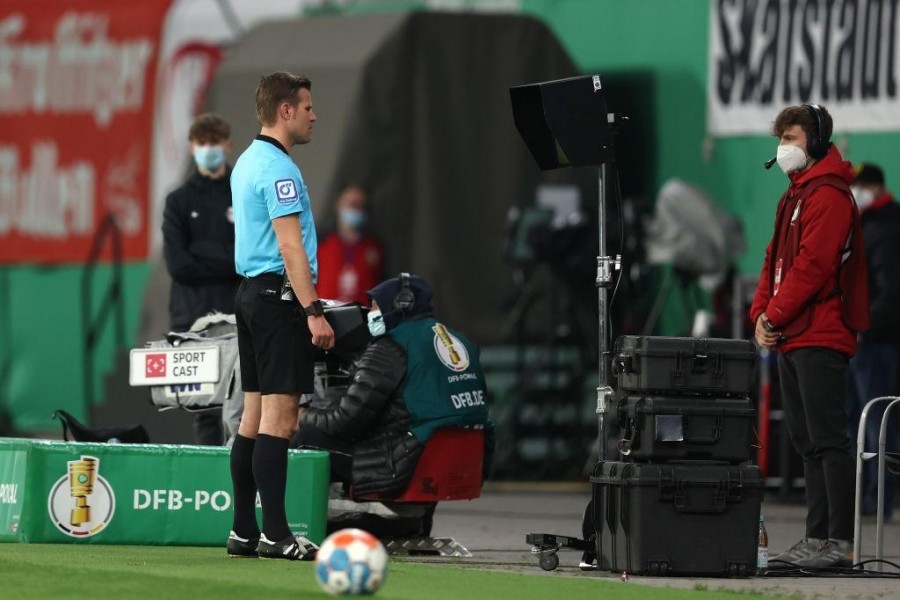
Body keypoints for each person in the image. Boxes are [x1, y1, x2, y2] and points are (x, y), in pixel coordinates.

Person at [751, 104, 869, 569]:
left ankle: (835, 542)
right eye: (781, 138)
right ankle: (816, 539)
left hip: (820, 332)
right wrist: (760, 313)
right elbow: (772, 260)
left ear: (816, 142)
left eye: (793, 139)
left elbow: (814, 268)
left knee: (827, 441)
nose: (784, 149)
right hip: (792, 332)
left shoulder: (831, 197)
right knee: (806, 442)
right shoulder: (794, 196)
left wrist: (773, 315)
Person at [226, 71, 335, 560]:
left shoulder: (246, 161)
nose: (315, 115)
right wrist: (314, 311)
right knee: (280, 418)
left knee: (251, 416)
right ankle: (276, 534)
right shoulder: (279, 169)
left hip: (249, 294)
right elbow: (291, 247)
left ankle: (244, 531)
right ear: (285, 111)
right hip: (279, 299)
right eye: (308, 106)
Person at [293, 273, 494, 535]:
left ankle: (297, 527)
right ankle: (413, 521)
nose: (371, 314)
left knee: (307, 437)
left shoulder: (391, 347)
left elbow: (345, 421)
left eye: (376, 306)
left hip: (404, 464)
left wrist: (300, 416)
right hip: (464, 462)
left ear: (401, 305)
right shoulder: (462, 341)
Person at [162, 113, 241, 445]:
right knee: (203, 411)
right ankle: (210, 483)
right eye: (202, 144)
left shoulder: (244, 192)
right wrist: (226, 256)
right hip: (192, 320)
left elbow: (251, 257)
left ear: (227, 145)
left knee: (241, 408)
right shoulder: (178, 201)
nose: (209, 150)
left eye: (214, 143)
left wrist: (201, 252)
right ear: (192, 148)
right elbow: (179, 265)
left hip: (238, 316)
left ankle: (240, 481)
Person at [847, 163, 900, 519]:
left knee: (878, 423)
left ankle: (878, 500)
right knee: (858, 422)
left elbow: (891, 292)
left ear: (874, 187)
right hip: (860, 340)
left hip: (877, 341)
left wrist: (866, 329)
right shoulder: (867, 224)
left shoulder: (889, 227)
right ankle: (865, 500)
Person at [316, 185, 384, 305]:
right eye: (352, 205)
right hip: (325, 317)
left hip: (361, 318)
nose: (356, 211)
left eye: (360, 206)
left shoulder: (374, 249)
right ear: (338, 205)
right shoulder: (320, 243)